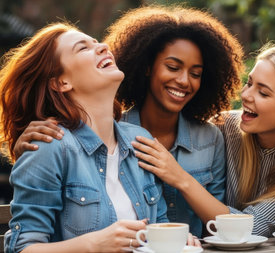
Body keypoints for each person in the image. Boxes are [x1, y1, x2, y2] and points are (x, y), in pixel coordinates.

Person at [12, 5, 244, 238]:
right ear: (146, 67)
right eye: (172, 67)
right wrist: (25, 150)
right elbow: (27, 240)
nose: (184, 81)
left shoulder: (190, 138)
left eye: (196, 74)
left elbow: (185, 228)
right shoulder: (69, 141)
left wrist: (178, 179)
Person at [0, 23, 169, 252]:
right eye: (83, 48)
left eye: (96, 42)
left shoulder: (139, 140)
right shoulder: (49, 146)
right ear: (61, 82)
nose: (103, 47)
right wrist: (94, 244)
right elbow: (22, 248)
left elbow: (160, 228)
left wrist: (178, 241)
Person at [132, 42, 275, 237]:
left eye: (263, 92)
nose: (245, 95)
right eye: (249, 83)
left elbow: (248, 229)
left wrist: (180, 178)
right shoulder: (223, 128)